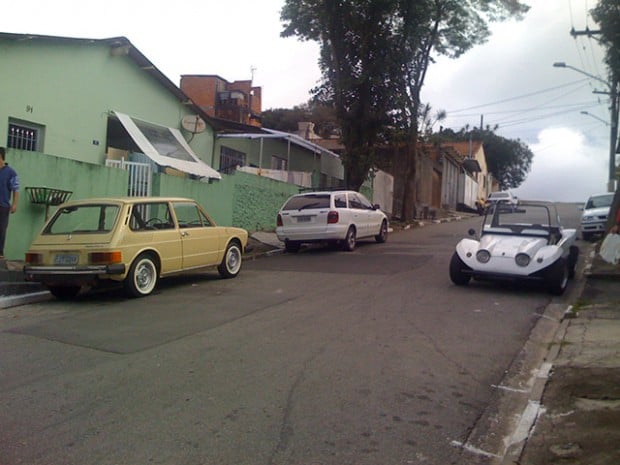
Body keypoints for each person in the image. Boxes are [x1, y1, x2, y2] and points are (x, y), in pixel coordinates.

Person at [0, 147, 19, 259]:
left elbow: (16, 189)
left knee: (1, 229)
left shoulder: (11, 172)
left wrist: (15, 204)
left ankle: (0, 252)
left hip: (3, 206)